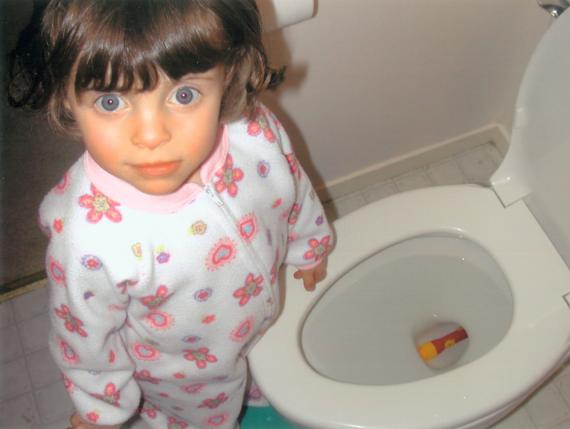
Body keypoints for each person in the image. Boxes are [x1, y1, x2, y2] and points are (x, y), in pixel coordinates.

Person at [8, 1, 333, 428]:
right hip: (184, 376)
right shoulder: (87, 238)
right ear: (66, 99)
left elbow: (292, 188)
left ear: (227, 78)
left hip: (262, 315)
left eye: (184, 95)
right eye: (110, 101)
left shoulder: (253, 131)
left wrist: (309, 244)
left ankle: (255, 393)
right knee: (209, 418)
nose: (151, 135)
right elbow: (85, 338)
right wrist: (101, 409)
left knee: (259, 368)